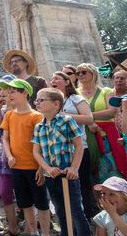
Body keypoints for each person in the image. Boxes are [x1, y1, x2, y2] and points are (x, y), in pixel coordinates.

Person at [31, 88, 90, 236]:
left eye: (41, 100)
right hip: (52, 175)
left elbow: (79, 145)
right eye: (36, 100)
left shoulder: (67, 121)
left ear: (56, 103)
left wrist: (74, 168)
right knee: (60, 213)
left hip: (67, 174)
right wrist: (46, 169)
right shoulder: (39, 126)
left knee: (76, 212)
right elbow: (36, 152)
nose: (37, 103)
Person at [0, 78, 50, 236]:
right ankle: (33, 232)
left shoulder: (37, 117)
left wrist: (41, 168)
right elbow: (5, 139)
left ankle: (46, 233)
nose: (9, 95)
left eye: (13, 92)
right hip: (16, 166)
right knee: (25, 204)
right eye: (8, 92)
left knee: (41, 204)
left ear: (25, 93)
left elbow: (43, 143)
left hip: (34, 167)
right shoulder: (9, 116)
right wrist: (9, 156)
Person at [50, 70, 97, 218]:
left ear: (66, 82)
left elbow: (89, 119)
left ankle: (86, 218)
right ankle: (68, 220)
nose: (53, 81)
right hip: (59, 151)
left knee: (81, 185)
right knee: (63, 189)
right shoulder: (51, 102)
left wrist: (66, 116)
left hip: (78, 149)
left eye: (56, 78)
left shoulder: (75, 99)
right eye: (51, 79)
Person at [77, 63, 127, 182]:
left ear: (93, 74)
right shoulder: (75, 93)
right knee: (91, 176)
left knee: (113, 173)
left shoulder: (106, 91)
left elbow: (111, 112)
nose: (80, 75)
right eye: (77, 73)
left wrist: (86, 116)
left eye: (83, 72)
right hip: (85, 139)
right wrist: (89, 121)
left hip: (107, 138)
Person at [0, 75, 19, 236]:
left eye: (8, 88)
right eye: (2, 89)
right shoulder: (2, 109)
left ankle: (31, 227)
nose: (4, 92)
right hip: (4, 155)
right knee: (5, 192)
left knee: (25, 192)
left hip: (22, 153)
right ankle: (13, 227)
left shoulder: (24, 109)